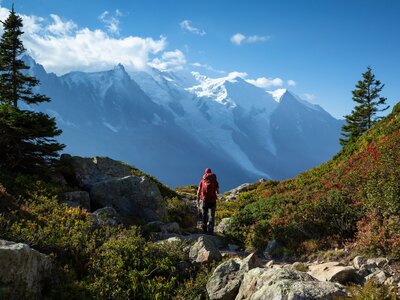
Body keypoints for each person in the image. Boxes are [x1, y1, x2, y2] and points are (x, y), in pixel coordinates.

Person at [197, 168, 219, 235]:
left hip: (205, 200)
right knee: (212, 215)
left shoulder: (202, 181)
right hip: (212, 200)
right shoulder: (214, 180)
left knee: (204, 214)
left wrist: (198, 198)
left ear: (205, 173)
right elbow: (217, 191)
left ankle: (204, 230)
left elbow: (198, 191)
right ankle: (211, 231)